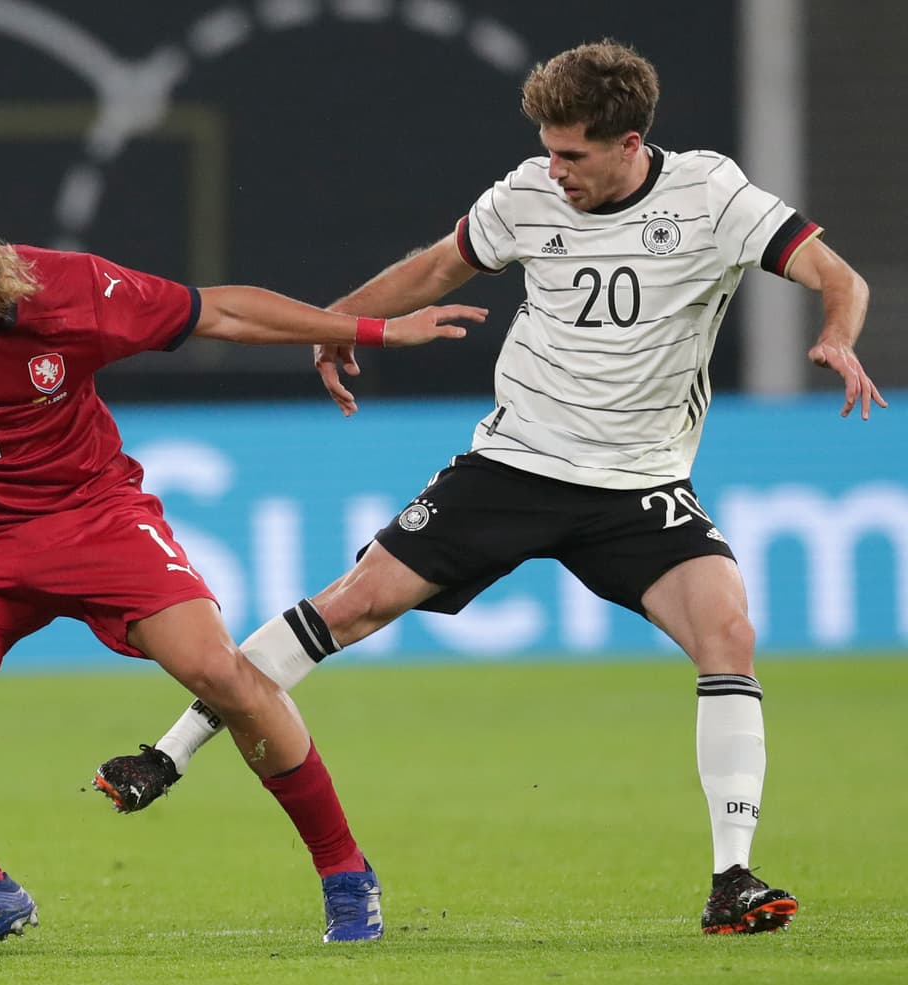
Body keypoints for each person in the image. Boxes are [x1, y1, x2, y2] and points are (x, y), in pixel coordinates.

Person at [94, 39, 886, 937]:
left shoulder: (713, 196)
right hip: (513, 467)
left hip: (639, 487)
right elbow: (435, 265)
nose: (555, 171)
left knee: (729, 630)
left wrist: (838, 335)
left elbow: (837, 274)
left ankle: (732, 878)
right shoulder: (524, 194)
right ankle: (167, 753)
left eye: (574, 155)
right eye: (548, 150)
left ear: (630, 144)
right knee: (351, 604)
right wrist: (340, 324)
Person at [0, 179, 486, 956]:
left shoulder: (70, 292)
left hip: (97, 522)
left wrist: (374, 330)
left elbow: (224, 309)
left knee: (222, 673)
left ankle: (345, 872)